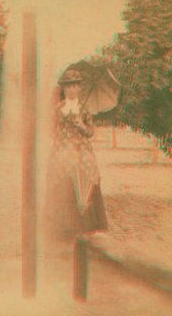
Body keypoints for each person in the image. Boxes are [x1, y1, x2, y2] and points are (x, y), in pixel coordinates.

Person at [44, 70, 108, 241]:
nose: (71, 90)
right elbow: (50, 130)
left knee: (83, 179)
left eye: (74, 86)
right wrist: (62, 139)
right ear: (63, 89)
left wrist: (81, 125)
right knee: (62, 180)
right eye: (67, 86)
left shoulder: (84, 110)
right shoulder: (57, 109)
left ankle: (83, 226)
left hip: (81, 150)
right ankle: (62, 227)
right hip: (63, 150)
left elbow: (90, 132)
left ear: (79, 88)